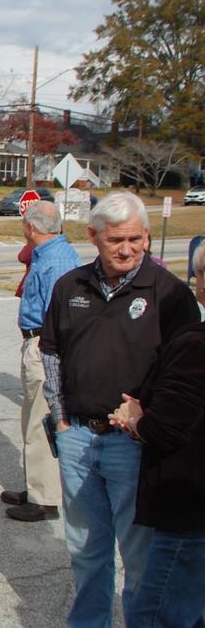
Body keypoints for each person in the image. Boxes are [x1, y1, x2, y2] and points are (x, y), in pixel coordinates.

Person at [41, 191, 200, 626]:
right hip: (77, 439)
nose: (127, 249)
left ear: (147, 236)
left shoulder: (170, 294)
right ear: (94, 236)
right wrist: (60, 420)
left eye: (135, 238)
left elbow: (186, 371)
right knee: (86, 551)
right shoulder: (70, 285)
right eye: (116, 240)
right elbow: (51, 353)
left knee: (140, 557)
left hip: (134, 447)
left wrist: (148, 420)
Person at [108, 241, 205, 628]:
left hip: (189, 510)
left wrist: (135, 418)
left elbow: (167, 426)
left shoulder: (196, 344)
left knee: (156, 614)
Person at [0, 201, 79, 521]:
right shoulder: (47, 254)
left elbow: (61, 314)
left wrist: (48, 353)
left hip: (44, 346)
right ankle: (36, 486)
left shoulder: (56, 260)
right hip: (36, 342)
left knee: (40, 420)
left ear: (31, 227)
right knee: (31, 419)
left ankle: (45, 497)